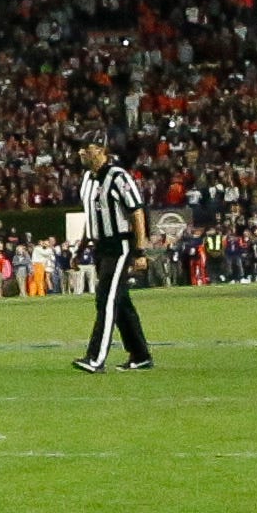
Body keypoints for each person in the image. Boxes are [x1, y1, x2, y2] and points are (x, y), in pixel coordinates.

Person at [74, 136, 153, 372]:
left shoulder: (118, 177)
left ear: (100, 151)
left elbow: (137, 212)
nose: (81, 153)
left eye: (86, 149)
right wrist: (81, 248)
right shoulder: (87, 180)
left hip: (119, 246)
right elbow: (91, 219)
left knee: (105, 300)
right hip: (100, 247)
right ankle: (140, 354)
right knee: (121, 301)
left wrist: (140, 251)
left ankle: (95, 358)